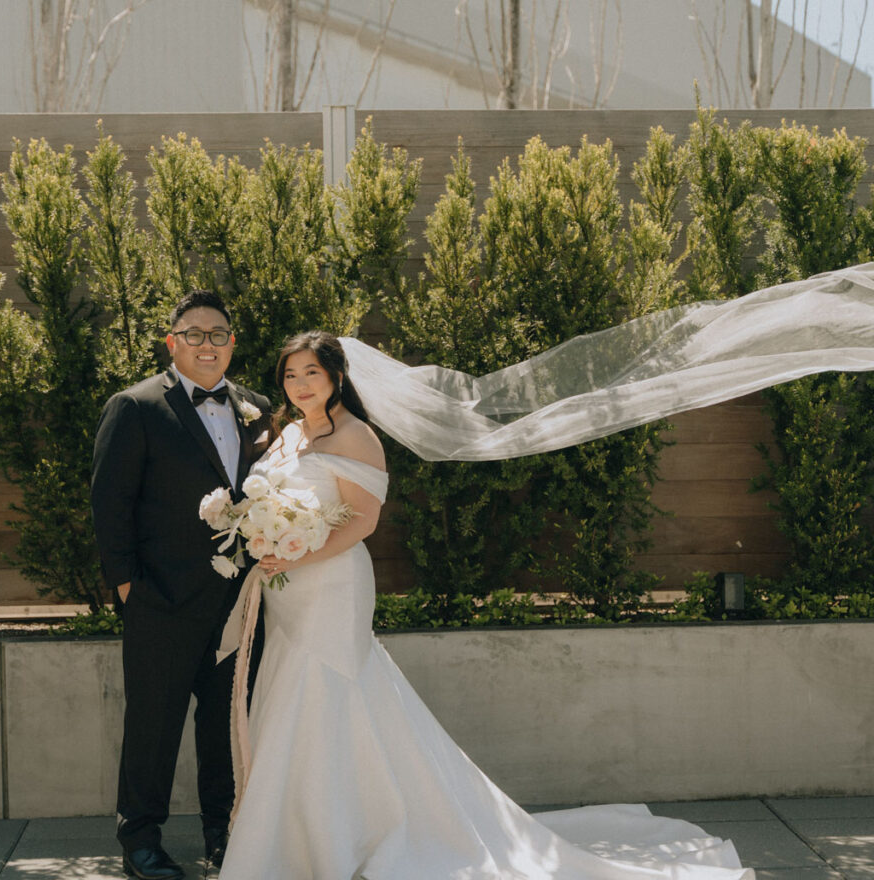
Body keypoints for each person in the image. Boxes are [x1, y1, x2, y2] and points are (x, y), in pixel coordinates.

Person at [216, 330, 753, 880]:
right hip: (288, 591)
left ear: (336, 377)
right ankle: (304, 831)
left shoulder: (358, 437)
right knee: (293, 690)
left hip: (330, 583)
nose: (300, 384)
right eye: (290, 374)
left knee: (328, 688)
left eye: (311, 372)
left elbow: (364, 521)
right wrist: (262, 537)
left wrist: (297, 555)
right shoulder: (287, 434)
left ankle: (341, 837)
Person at [91, 290, 271, 880]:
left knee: (226, 726)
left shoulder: (257, 408)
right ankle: (140, 839)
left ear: (231, 343)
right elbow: (109, 505)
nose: (206, 344)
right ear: (172, 343)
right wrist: (126, 589)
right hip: (160, 603)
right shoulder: (135, 406)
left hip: (237, 604)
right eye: (193, 334)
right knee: (154, 724)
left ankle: (224, 833)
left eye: (218, 334)